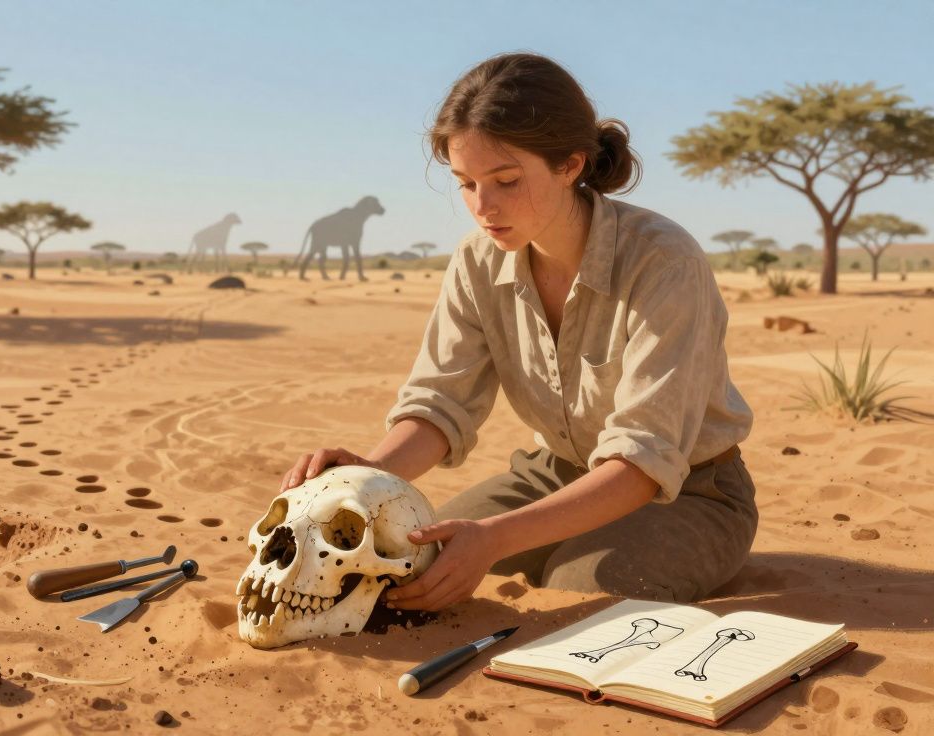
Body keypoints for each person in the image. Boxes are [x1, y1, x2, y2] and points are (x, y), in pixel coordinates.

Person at [277, 52, 756, 610]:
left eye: (506, 180)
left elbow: (642, 461)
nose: (483, 206)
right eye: (466, 184)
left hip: (690, 493)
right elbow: (440, 405)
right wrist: (368, 475)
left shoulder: (663, 261)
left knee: (580, 592)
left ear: (570, 164)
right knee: (410, 567)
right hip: (551, 477)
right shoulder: (476, 261)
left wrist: (495, 538)